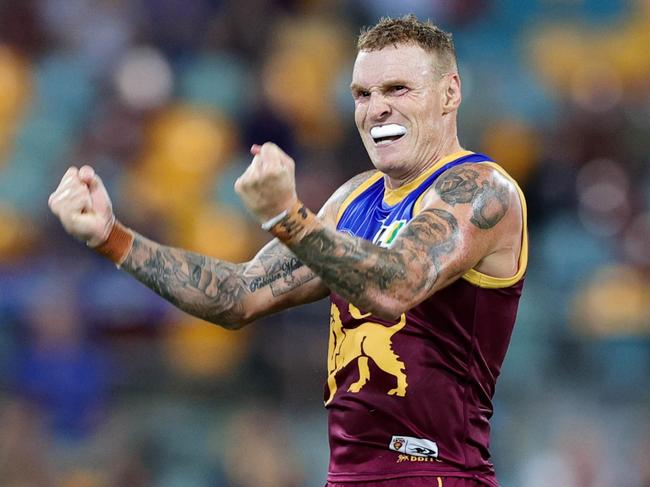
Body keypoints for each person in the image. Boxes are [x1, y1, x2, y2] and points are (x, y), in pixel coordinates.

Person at [48, 15, 527, 487]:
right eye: (362, 94)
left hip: (439, 475)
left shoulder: (482, 189)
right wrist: (112, 237)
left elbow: (398, 283)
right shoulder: (351, 200)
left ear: (450, 93)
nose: (376, 109)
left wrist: (287, 216)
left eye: (398, 89)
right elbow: (238, 295)